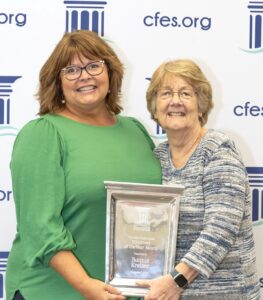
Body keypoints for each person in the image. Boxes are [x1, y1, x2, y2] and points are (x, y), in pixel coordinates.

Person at [5, 30, 162, 300]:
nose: (84, 75)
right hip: (54, 291)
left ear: (110, 74)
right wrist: (85, 285)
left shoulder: (135, 130)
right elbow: (40, 227)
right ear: (57, 82)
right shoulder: (43, 133)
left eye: (93, 65)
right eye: (71, 70)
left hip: (126, 292)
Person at [137, 59, 261, 299]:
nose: (175, 101)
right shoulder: (157, 157)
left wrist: (177, 281)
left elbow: (221, 229)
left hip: (226, 293)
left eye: (185, 93)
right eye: (166, 93)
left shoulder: (217, 150)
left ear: (201, 105)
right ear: (155, 107)